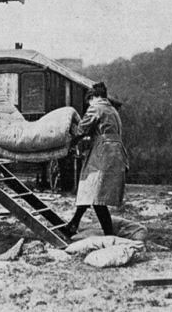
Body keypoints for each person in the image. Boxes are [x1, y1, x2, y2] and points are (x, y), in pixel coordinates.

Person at [64, 82, 129, 236]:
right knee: (92, 191)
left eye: (89, 101)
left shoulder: (96, 108)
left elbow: (81, 130)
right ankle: (74, 223)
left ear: (92, 97)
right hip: (116, 152)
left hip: (103, 153)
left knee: (94, 193)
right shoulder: (112, 110)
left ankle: (107, 233)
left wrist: (69, 138)